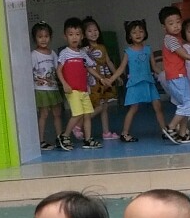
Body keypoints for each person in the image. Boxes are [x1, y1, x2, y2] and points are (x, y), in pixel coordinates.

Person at [157, 6, 190, 143]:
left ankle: (183, 133)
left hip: (180, 75)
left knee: (184, 104)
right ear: (164, 27)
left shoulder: (177, 37)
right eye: (171, 23)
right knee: (189, 104)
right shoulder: (171, 39)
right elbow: (185, 55)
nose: (176, 26)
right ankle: (171, 127)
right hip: (177, 76)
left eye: (178, 22)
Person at [118, 18, 164, 143]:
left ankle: (165, 131)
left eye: (141, 31)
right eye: (134, 32)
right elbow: (121, 68)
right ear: (129, 36)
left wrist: (164, 74)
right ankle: (124, 133)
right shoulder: (128, 52)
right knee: (134, 108)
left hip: (149, 82)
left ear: (145, 33)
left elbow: (154, 66)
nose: (138, 34)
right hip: (135, 84)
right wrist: (110, 79)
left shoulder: (148, 49)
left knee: (158, 106)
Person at [57, 17, 96, 150]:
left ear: (82, 36)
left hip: (83, 90)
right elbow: (59, 70)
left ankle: (88, 139)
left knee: (87, 114)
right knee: (77, 114)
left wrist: (102, 79)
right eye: (71, 34)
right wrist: (64, 84)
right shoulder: (64, 53)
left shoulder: (83, 54)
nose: (74, 37)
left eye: (77, 34)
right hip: (72, 90)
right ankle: (64, 136)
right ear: (65, 36)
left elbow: (89, 67)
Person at [83, 17, 122, 145]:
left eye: (95, 30)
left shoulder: (102, 47)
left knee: (105, 106)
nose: (93, 33)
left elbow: (108, 62)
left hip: (105, 79)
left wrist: (116, 75)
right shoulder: (85, 50)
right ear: (84, 34)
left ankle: (106, 132)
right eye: (89, 31)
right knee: (99, 106)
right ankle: (79, 124)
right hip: (94, 81)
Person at [29, 21, 63, 149]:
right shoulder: (34, 55)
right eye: (40, 37)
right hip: (41, 89)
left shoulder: (52, 53)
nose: (43, 39)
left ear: (50, 37)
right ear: (35, 38)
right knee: (43, 114)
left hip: (53, 88)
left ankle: (60, 138)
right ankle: (41, 141)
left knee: (57, 114)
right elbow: (29, 72)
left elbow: (58, 69)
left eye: (46, 36)